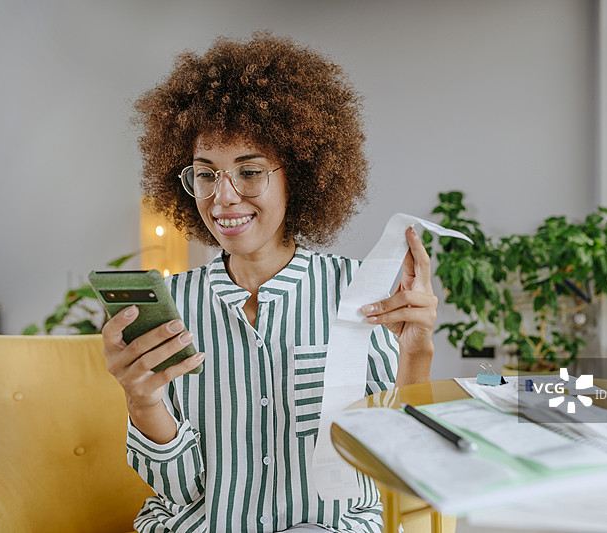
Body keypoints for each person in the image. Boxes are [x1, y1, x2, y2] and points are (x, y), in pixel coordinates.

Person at [101, 32, 438, 533]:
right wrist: (143, 400)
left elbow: (403, 465)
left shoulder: (360, 295)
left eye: (250, 171)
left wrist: (415, 356)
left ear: (297, 176)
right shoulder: (174, 306)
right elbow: (181, 490)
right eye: (206, 174)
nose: (223, 198)